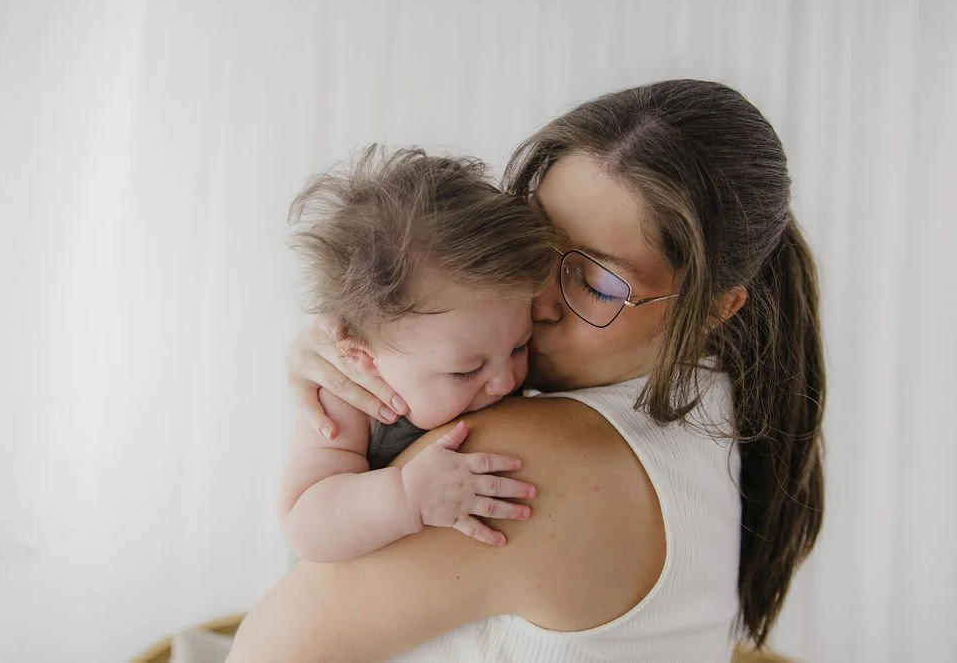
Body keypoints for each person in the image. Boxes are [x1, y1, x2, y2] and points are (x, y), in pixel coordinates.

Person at [227, 79, 826, 663]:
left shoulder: (515, 462)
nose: (535, 298)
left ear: (716, 310)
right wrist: (372, 347)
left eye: (596, 283)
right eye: (533, 240)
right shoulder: (710, 391)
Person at [280, 146, 552, 562]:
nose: (505, 380)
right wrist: (407, 496)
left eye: (519, 346)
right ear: (365, 360)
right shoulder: (348, 402)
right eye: (467, 371)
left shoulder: (489, 349)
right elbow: (304, 523)